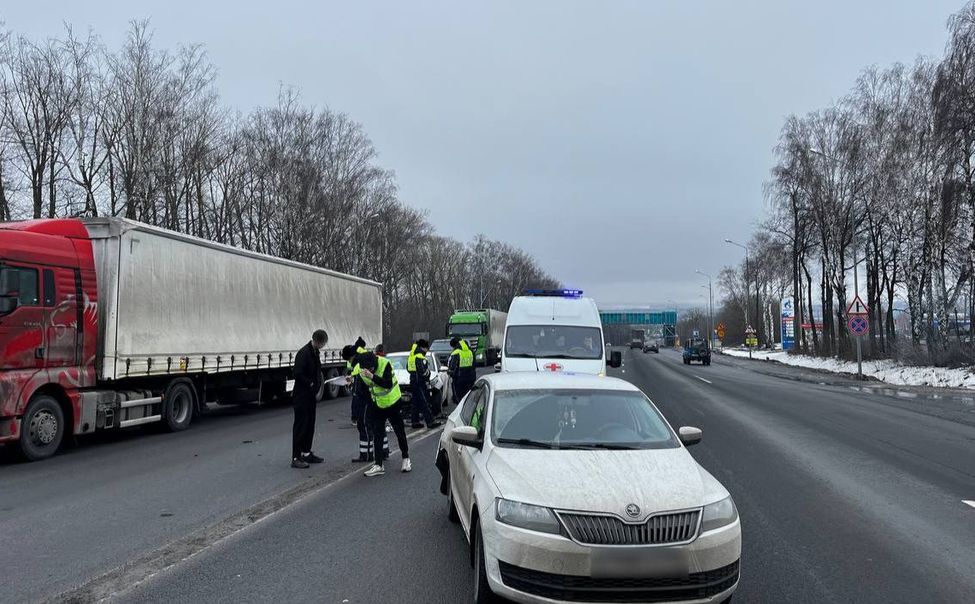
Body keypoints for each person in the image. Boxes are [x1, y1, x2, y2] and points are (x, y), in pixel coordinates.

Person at [358, 352, 411, 477]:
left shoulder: (384, 364)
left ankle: (406, 459)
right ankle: (378, 464)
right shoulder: (362, 369)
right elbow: (364, 389)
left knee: (399, 431)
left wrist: (372, 376)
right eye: (366, 368)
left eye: (370, 368)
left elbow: (387, 383)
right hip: (378, 405)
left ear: (374, 362)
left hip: (393, 402)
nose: (368, 370)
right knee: (378, 434)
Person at [343, 344, 388, 463]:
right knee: (377, 425)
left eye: (348, 359)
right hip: (376, 400)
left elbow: (362, 386)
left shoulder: (360, 364)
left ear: (352, 356)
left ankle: (366, 454)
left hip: (366, 401)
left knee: (364, 426)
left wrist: (352, 384)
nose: (348, 362)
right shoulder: (365, 359)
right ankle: (384, 451)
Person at [291, 329, 328, 469]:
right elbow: (298, 373)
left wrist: (318, 385)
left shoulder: (315, 353)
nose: (323, 346)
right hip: (301, 396)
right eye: (323, 343)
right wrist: (311, 383)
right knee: (301, 426)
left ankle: (306, 453)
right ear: (318, 341)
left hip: (311, 396)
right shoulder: (304, 353)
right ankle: (296, 457)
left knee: (310, 425)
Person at [407, 339, 440, 429]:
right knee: (424, 402)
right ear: (423, 347)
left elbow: (408, 369)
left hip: (413, 380)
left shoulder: (411, 356)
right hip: (420, 382)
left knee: (415, 402)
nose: (427, 351)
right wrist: (428, 374)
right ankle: (430, 421)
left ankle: (415, 421)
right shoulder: (420, 357)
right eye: (426, 348)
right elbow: (423, 371)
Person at [449, 337, 476, 403]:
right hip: (470, 378)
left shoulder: (456, 352)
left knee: (459, 398)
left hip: (459, 379)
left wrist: (450, 373)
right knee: (468, 397)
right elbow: (474, 364)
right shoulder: (470, 351)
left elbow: (452, 367)